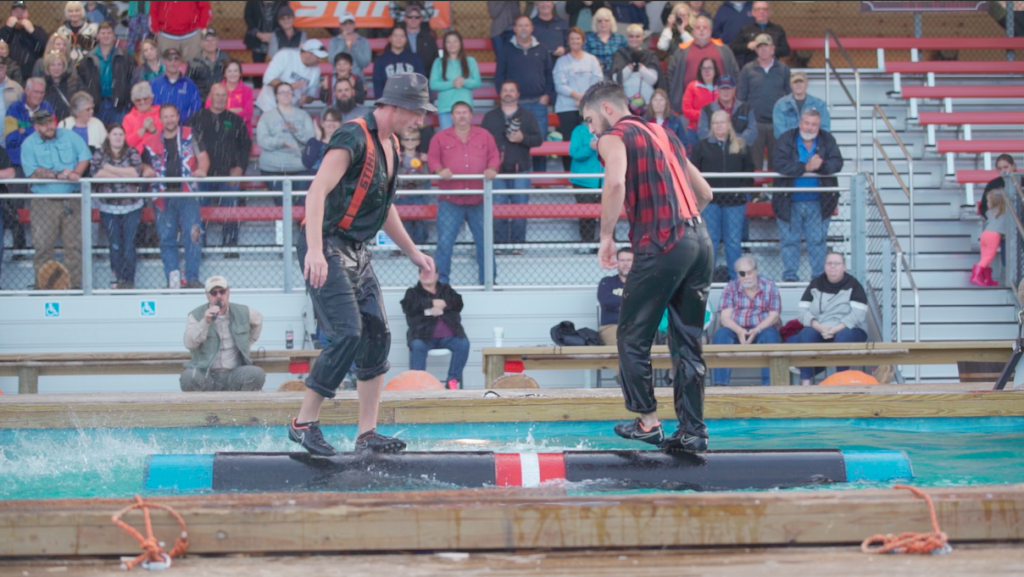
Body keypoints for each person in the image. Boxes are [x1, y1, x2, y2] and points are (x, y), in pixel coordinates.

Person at [289, 72, 437, 455]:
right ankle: (303, 422)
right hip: (325, 243)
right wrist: (316, 249)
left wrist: (413, 252)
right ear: (397, 106)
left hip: (357, 248)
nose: (420, 121)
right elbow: (316, 192)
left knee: (378, 334)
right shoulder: (352, 136)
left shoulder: (392, 146)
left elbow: (384, 209)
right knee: (348, 332)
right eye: (417, 113)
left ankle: (366, 433)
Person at [581, 80, 714, 451]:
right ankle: (693, 431)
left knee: (631, 336)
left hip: (661, 243)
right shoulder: (664, 133)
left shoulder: (614, 136)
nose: (591, 132)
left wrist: (606, 236)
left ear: (607, 110)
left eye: (590, 121)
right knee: (687, 342)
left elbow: (615, 185)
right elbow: (706, 193)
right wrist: (684, 231)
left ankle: (647, 421)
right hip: (701, 242)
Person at [429, 100, 500, 285]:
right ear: (452, 116)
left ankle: (489, 281)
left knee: (485, 242)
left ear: (471, 115)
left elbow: (494, 156)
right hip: (450, 198)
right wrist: (439, 170)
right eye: (458, 112)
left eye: (465, 112)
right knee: (444, 244)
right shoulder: (440, 137)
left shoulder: (484, 135)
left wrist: (492, 168)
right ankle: (440, 284)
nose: (461, 115)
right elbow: (433, 159)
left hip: (478, 198)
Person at [21, 108, 91, 290]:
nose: (48, 127)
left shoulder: (69, 136)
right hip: (44, 202)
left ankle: (74, 288)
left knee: (74, 248)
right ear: (36, 127)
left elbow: (84, 156)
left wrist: (77, 173)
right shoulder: (28, 144)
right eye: (43, 124)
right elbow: (32, 173)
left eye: (50, 122)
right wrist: (58, 175)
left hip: (72, 200)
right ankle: (43, 288)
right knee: (43, 248)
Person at [141, 103, 210, 289]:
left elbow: (202, 156)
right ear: (160, 119)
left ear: (178, 117)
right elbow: (145, 164)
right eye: (166, 117)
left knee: (193, 234)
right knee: (166, 238)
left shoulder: (190, 134)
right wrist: (146, 170)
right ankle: (173, 280)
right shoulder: (150, 142)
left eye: (173, 116)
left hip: (187, 193)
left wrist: (202, 170)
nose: (170, 120)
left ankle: (192, 278)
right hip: (163, 197)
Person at [772, 109, 843, 282]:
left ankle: (819, 278)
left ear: (819, 126)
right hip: (788, 202)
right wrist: (805, 167)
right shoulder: (786, 139)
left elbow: (837, 163)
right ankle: (790, 277)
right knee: (789, 242)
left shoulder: (827, 139)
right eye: (807, 123)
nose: (810, 128)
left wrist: (821, 166)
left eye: (814, 124)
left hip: (819, 201)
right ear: (800, 123)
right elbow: (779, 164)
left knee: (817, 242)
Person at [787, 252, 869, 385]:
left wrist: (837, 328)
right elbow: (802, 311)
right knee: (806, 334)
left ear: (844, 266)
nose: (833, 267)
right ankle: (805, 383)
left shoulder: (854, 285)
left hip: (848, 328)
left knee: (843, 337)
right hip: (821, 327)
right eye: (829, 263)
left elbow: (859, 314)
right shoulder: (815, 284)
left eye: (837, 263)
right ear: (825, 266)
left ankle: (841, 382)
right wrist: (817, 326)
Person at [690, 109, 754, 280]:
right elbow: (693, 172)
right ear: (711, 126)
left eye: (722, 122)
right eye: (715, 122)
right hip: (710, 202)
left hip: (735, 202)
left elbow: (749, 171)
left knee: (733, 242)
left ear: (728, 124)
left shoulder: (740, 145)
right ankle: (707, 278)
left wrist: (739, 189)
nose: (719, 126)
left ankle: (736, 280)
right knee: (711, 241)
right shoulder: (701, 146)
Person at [483, 80, 542, 251]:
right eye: (505, 90)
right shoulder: (490, 117)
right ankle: (500, 245)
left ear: (517, 94)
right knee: (498, 210)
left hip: (520, 170)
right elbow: (482, 143)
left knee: (520, 210)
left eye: (512, 90)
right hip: (496, 171)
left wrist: (522, 138)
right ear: (500, 94)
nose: (508, 93)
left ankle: (518, 245)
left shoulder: (528, 116)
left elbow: (538, 140)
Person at [190, 83, 250, 251]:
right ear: (210, 96)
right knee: (198, 212)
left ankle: (230, 247)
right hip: (202, 176)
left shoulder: (235, 120)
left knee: (230, 212)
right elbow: (188, 145)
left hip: (227, 175)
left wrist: (239, 169)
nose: (220, 98)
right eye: (217, 95)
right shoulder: (197, 118)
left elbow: (245, 146)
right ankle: (199, 248)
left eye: (224, 95)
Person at [181, 275, 267, 392]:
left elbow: (258, 320)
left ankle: (239, 408)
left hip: (234, 373)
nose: (219, 296)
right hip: (206, 374)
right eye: (214, 293)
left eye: (222, 291)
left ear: (228, 292)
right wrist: (204, 322)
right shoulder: (196, 315)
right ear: (207, 295)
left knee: (257, 374)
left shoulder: (243, 312)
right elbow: (189, 344)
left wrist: (247, 343)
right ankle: (202, 409)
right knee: (188, 377)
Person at [495, 16, 554, 173]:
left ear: (531, 28)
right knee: (514, 142)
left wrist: (547, 96)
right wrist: (505, 99)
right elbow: (499, 75)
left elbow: (549, 75)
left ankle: (540, 182)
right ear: (514, 28)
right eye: (520, 25)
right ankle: (518, 176)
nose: (523, 28)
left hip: (538, 104)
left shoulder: (541, 49)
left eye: (526, 25)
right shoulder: (506, 49)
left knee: (538, 142)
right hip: (515, 106)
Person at [711, 256, 781, 385]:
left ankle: (770, 385)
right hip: (737, 330)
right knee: (721, 335)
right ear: (737, 274)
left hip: (762, 329)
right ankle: (720, 385)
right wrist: (739, 331)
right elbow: (725, 318)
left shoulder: (769, 285)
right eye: (742, 274)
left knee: (771, 335)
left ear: (756, 271)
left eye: (750, 272)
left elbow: (774, 315)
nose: (746, 277)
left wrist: (756, 330)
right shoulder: (730, 287)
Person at [90, 123, 144, 289]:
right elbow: (96, 175)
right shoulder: (100, 153)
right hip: (109, 207)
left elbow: (135, 174)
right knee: (115, 244)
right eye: (115, 134)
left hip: (132, 207)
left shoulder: (132, 151)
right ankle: (117, 278)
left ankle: (128, 281)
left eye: (121, 134)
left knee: (128, 244)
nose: (118, 137)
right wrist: (123, 172)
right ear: (108, 136)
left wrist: (109, 169)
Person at [400, 267, 471, 390]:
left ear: (437, 275)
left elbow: (458, 303)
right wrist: (431, 304)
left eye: (430, 273)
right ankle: (418, 383)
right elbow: (408, 306)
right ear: (419, 275)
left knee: (463, 344)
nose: (426, 275)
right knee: (417, 346)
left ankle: (452, 380)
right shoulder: (413, 292)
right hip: (422, 337)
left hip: (449, 336)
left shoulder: (446, 290)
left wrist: (444, 304)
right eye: (423, 272)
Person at [553, 26, 603, 170]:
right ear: (568, 41)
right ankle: (569, 173)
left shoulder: (591, 60)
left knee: (590, 140)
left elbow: (597, 80)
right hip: (566, 107)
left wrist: (584, 99)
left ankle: (588, 172)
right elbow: (560, 85)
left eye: (578, 38)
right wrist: (578, 96)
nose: (575, 41)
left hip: (589, 107)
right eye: (572, 39)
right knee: (570, 141)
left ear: (582, 40)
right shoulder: (561, 61)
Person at [737, 33, 790, 170]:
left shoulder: (783, 69)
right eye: (760, 47)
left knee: (778, 162)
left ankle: (776, 192)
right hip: (755, 124)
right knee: (755, 165)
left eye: (766, 46)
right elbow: (741, 98)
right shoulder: (747, 70)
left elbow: (789, 96)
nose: (763, 50)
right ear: (755, 50)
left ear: (773, 49)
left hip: (777, 124)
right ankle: (757, 192)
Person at [257, 81, 315, 206]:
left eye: (289, 92)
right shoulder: (266, 117)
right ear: (276, 96)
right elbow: (262, 141)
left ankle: (299, 225)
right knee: (282, 204)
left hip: (299, 166)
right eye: (282, 92)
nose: (286, 95)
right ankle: (284, 225)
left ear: (293, 95)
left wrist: (295, 130)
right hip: (273, 167)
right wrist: (280, 142)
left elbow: (311, 140)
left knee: (302, 203)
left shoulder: (303, 115)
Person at [667, 15, 738, 115]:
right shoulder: (681, 51)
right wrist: (676, 96)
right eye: (698, 27)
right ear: (693, 31)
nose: (701, 30)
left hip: (721, 107)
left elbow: (735, 73)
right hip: (689, 108)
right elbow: (671, 75)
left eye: (704, 27)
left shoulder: (724, 50)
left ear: (710, 30)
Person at [77, 21, 132, 124]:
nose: (106, 36)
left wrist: (125, 98)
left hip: (119, 107)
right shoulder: (88, 59)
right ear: (97, 36)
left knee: (120, 136)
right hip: (97, 107)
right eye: (103, 33)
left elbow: (131, 80)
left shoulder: (125, 57)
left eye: (109, 33)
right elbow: (82, 82)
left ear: (114, 36)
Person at [255, 39, 326, 113]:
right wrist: (290, 87)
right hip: (269, 107)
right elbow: (268, 79)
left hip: (291, 111)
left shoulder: (316, 70)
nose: (320, 60)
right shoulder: (285, 55)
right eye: (318, 57)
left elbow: (311, 95)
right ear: (308, 53)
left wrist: (306, 99)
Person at [430, 31, 481, 130]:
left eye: (455, 41)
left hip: (464, 108)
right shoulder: (438, 62)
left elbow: (477, 82)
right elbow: (433, 84)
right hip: (445, 108)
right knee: (447, 140)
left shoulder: (470, 61)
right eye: (448, 42)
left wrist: (464, 82)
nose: (452, 45)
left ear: (460, 43)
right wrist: (452, 84)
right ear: (444, 45)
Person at [612, 23, 662, 116]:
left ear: (642, 38)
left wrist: (640, 67)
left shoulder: (650, 55)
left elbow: (653, 80)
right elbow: (617, 79)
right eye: (631, 36)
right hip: (626, 104)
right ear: (627, 38)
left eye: (637, 36)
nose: (634, 39)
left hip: (647, 103)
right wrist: (631, 66)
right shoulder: (620, 54)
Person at [392, 125, 430, 245]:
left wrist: (415, 179)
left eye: (413, 140)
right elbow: (395, 175)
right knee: (403, 223)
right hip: (402, 195)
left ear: (418, 141)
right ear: (402, 141)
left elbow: (426, 176)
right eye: (407, 139)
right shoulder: (397, 157)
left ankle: (420, 246)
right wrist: (407, 179)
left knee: (420, 222)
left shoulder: (422, 158)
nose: (410, 142)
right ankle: (402, 248)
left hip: (418, 194)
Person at [4, 77, 53, 166]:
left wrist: (25, 130)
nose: (39, 96)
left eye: (42, 93)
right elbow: (10, 139)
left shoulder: (46, 108)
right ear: (27, 90)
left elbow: (51, 135)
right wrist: (37, 131)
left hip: (43, 161)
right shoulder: (14, 108)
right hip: (18, 160)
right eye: (36, 92)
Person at [569, 121, 603, 243]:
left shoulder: (609, 128)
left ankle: (607, 243)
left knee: (608, 215)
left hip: (606, 180)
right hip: (584, 181)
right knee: (586, 215)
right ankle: (586, 243)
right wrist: (590, 147)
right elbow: (574, 153)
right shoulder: (579, 130)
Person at [696, 75, 756, 145]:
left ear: (734, 89)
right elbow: (702, 131)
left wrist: (737, 142)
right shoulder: (706, 109)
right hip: (713, 151)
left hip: (740, 149)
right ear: (717, 90)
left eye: (728, 88)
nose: (725, 92)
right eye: (723, 88)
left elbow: (752, 130)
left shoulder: (746, 108)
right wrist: (720, 142)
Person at [373, 27, 426, 104]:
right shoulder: (380, 60)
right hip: (388, 104)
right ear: (390, 38)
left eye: (402, 36)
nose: (399, 39)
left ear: (406, 39)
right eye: (396, 36)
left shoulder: (415, 59)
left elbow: (420, 83)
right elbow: (378, 85)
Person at [730, 1, 790, 69]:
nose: (761, 11)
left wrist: (771, 49)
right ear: (753, 12)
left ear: (769, 12)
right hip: (752, 68)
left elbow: (786, 50)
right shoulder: (745, 29)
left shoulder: (777, 29)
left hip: (773, 68)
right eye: (758, 9)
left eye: (764, 9)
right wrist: (747, 46)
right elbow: (733, 48)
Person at [149, 48, 201, 124]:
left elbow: (196, 109)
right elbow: (147, 108)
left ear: (180, 62)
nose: (173, 63)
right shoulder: (153, 84)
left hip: (183, 128)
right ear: (163, 61)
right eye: (169, 60)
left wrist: (179, 120)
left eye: (176, 59)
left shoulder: (190, 84)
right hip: (158, 129)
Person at [773, 70, 830, 138]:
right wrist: (795, 142)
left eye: (801, 82)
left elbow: (825, 129)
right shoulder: (780, 105)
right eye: (795, 82)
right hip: (789, 146)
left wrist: (809, 141)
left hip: (813, 146)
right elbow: (779, 131)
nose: (798, 85)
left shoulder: (819, 105)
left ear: (807, 84)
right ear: (790, 85)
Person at [0, 1, 47, 81]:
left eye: (22, 11)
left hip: (31, 77)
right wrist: (7, 28)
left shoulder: (37, 30)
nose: (19, 14)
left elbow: (46, 46)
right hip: (8, 77)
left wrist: (32, 31)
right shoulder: (5, 31)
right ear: (11, 14)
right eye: (16, 11)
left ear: (28, 14)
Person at [208, 59, 254, 137]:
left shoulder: (247, 91)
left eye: (236, 71)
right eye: (229, 71)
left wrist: (223, 112)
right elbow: (210, 112)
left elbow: (248, 115)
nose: (233, 74)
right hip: (219, 133)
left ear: (240, 73)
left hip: (241, 133)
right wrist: (235, 111)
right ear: (224, 73)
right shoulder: (216, 89)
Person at [597, 247, 633, 345]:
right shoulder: (607, 282)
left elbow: (646, 303)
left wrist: (617, 303)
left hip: (636, 326)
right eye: (622, 260)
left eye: (629, 260)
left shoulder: (642, 284)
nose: (625, 263)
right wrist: (632, 300)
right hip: (612, 326)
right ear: (617, 262)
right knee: (619, 348)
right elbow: (606, 302)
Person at [972, 187, 1006, 287]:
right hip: (994, 235)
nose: (987, 204)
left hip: (985, 234)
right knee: (987, 257)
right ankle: (975, 276)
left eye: (988, 201)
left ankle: (987, 278)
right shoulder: (1003, 212)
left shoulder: (990, 212)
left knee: (984, 257)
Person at [187, 27, 228, 101]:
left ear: (217, 41)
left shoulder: (225, 58)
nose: (210, 43)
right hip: (201, 100)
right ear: (201, 42)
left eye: (213, 40)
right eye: (207, 40)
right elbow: (188, 83)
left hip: (222, 100)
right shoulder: (194, 61)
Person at [244, 0, 286, 72]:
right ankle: (258, 83)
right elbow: (248, 17)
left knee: (278, 67)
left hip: (277, 39)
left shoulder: (283, 2)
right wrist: (257, 33)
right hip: (257, 39)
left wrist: (274, 35)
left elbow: (285, 18)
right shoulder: (252, 1)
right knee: (257, 67)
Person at [327, 11, 370, 81]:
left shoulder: (363, 41)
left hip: (357, 78)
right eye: (344, 24)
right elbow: (332, 61)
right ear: (340, 26)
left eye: (350, 23)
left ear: (354, 25)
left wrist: (355, 46)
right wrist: (342, 42)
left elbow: (364, 63)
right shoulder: (334, 41)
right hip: (338, 78)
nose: (348, 26)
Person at [584, 8, 627, 77]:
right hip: (594, 76)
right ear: (595, 23)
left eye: (606, 20)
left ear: (611, 22)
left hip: (617, 76)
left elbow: (626, 58)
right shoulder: (588, 39)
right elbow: (584, 59)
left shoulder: (621, 39)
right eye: (600, 21)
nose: (603, 23)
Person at [42, 51, 82, 121]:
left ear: (64, 66)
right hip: (49, 123)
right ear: (48, 67)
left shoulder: (74, 81)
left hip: (69, 122)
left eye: (59, 65)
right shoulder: (42, 85)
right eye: (52, 65)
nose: (56, 68)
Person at [681, 57, 718, 131]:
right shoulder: (692, 86)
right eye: (704, 68)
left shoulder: (722, 88)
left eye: (710, 68)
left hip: (718, 129)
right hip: (695, 129)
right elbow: (686, 111)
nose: (706, 71)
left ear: (715, 70)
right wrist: (706, 115)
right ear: (700, 71)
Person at [56, 1, 98, 65]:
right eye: (71, 11)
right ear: (67, 13)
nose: (74, 14)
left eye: (77, 11)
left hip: (88, 66)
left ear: (82, 11)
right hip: (67, 66)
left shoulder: (93, 29)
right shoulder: (61, 31)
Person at [122, 80, 160, 151]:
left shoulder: (161, 114)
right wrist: (143, 130)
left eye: (145, 99)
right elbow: (126, 144)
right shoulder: (128, 118)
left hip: (158, 155)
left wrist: (153, 129)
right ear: (134, 102)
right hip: (136, 157)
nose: (142, 102)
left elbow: (165, 141)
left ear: (151, 99)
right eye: (138, 100)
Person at [301, 106, 342, 172]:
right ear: (322, 123)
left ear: (340, 124)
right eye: (328, 120)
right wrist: (317, 139)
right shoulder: (312, 142)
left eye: (335, 120)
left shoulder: (345, 143)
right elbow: (307, 163)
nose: (332, 123)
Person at [401, 5, 437, 77]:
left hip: (426, 78)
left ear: (421, 19)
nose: (413, 19)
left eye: (417, 17)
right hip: (403, 78)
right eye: (410, 16)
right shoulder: (398, 37)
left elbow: (435, 61)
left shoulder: (430, 39)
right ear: (405, 19)